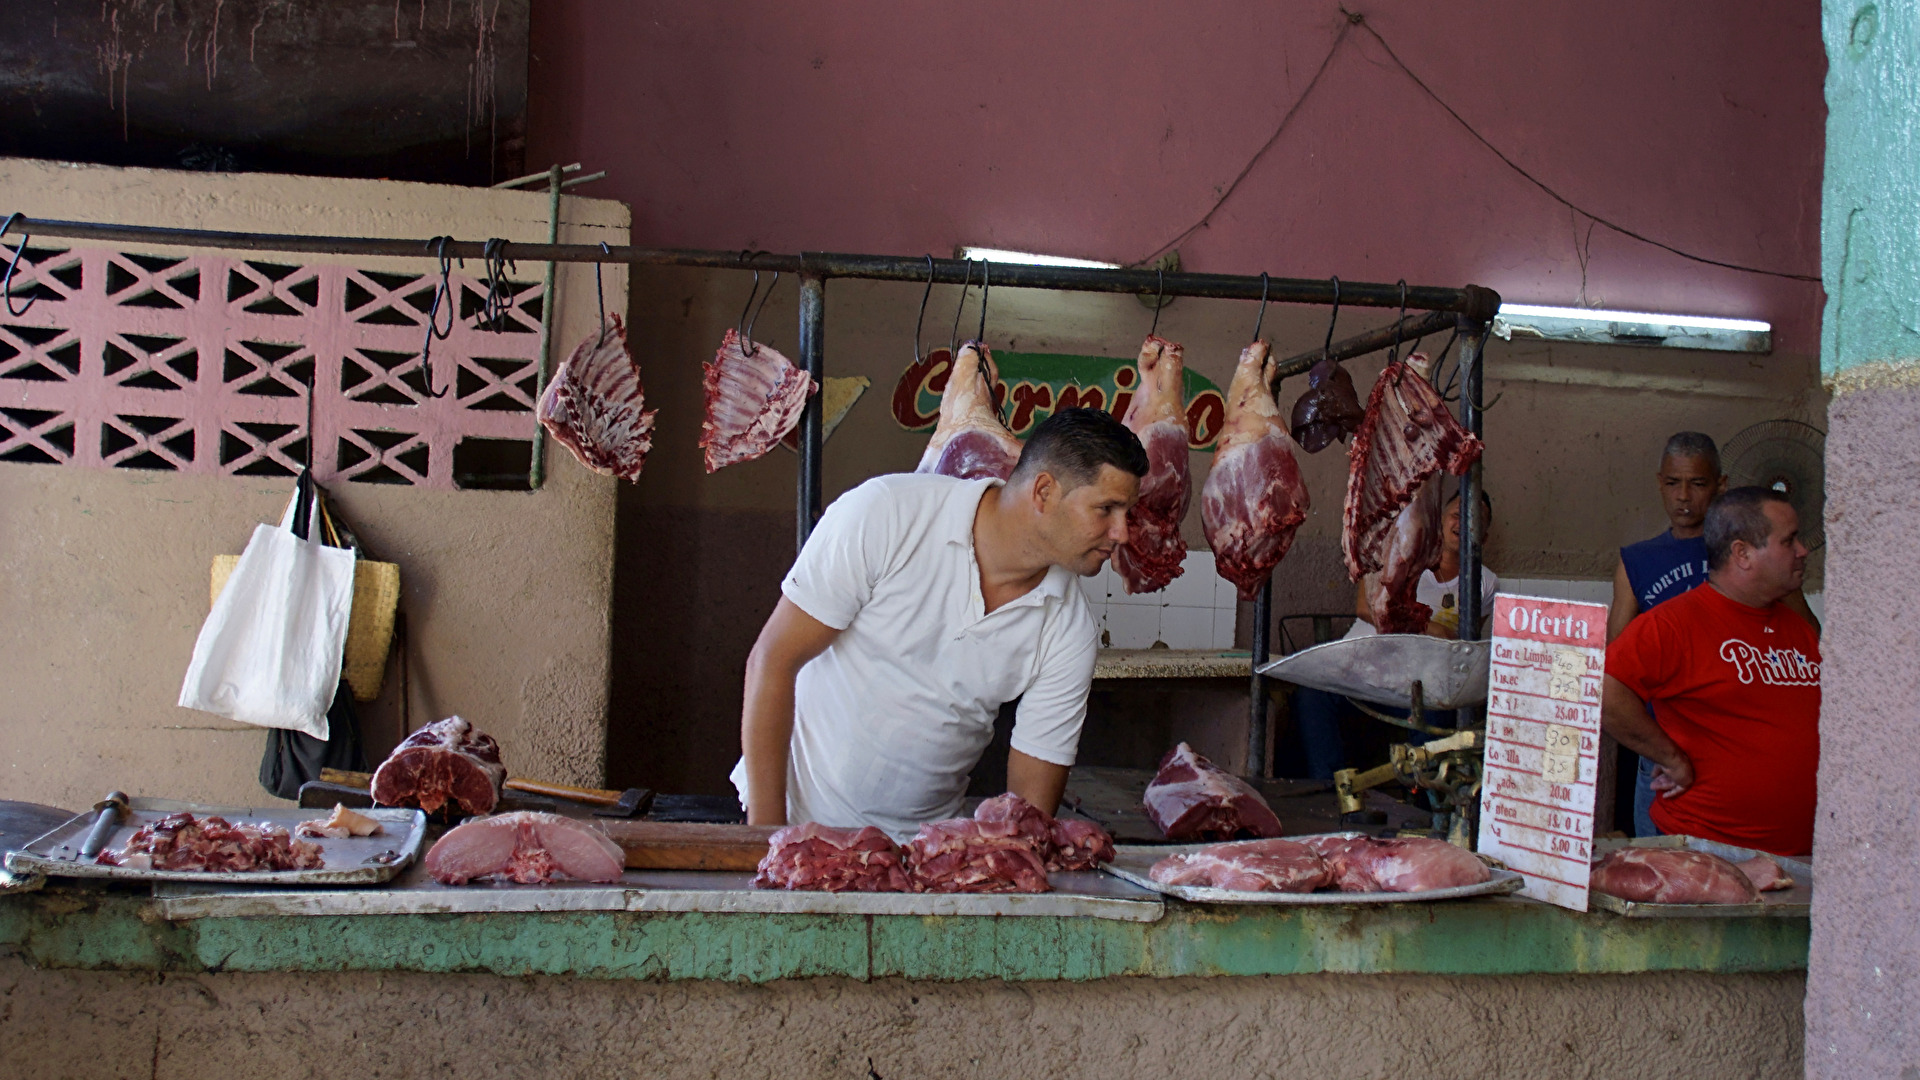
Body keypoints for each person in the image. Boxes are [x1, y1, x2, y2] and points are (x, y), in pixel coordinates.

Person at [731, 408, 1146, 840]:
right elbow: (773, 661)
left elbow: (1029, 811)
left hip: (926, 855)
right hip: (798, 825)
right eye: (1107, 509)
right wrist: (766, 839)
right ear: (1043, 491)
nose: (1122, 533)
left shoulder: (1069, 628)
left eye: (1126, 513)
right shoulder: (887, 513)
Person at [1608, 432, 1817, 836]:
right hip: (1671, 754)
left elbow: (1810, 638)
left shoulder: (1778, 595)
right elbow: (1610, 673)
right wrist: (1665, 752)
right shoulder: (1642, 566)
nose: (1683, 496)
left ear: (1720, 485)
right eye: (1673, 483)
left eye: (1698, 483)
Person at [1289, 488, 1496, 779]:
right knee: (1312, 695)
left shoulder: (1484, 583)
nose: (1463, 524)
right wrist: (1429, 628)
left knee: (1439, 713)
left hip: (1418, 688)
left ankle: (1427, 805)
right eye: (1456, 515)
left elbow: (1464, 643)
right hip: (1363, 673)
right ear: (1439, 521)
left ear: (1483, 536)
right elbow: (1366, 607)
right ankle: (1330, 790)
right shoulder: (1399, 551)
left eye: (1475, 520)